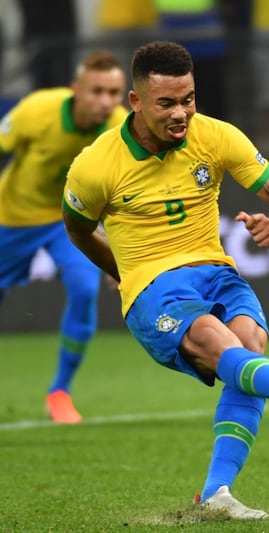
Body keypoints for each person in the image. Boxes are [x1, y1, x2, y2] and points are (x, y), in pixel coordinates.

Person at [62, 41, 269, 520]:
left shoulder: (215, 136)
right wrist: (125, 274)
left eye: (189, 99)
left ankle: (217, 494)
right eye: (167, 103)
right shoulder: (96, 166)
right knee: (217, 343)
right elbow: (77, 228)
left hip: (216, 274)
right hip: (155, 283)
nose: (182, 113)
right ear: (135, 102)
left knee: (249, 344)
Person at [0, 51, 128, 424]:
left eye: (114, 93)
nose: (106, 101)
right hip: (12, 216)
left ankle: (60, 392)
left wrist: (117, 254)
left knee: (84, 289)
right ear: (76, 90)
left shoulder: (121, 131)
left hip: (68, 222)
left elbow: (123, 195)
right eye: (97, 91)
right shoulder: (37, 110)